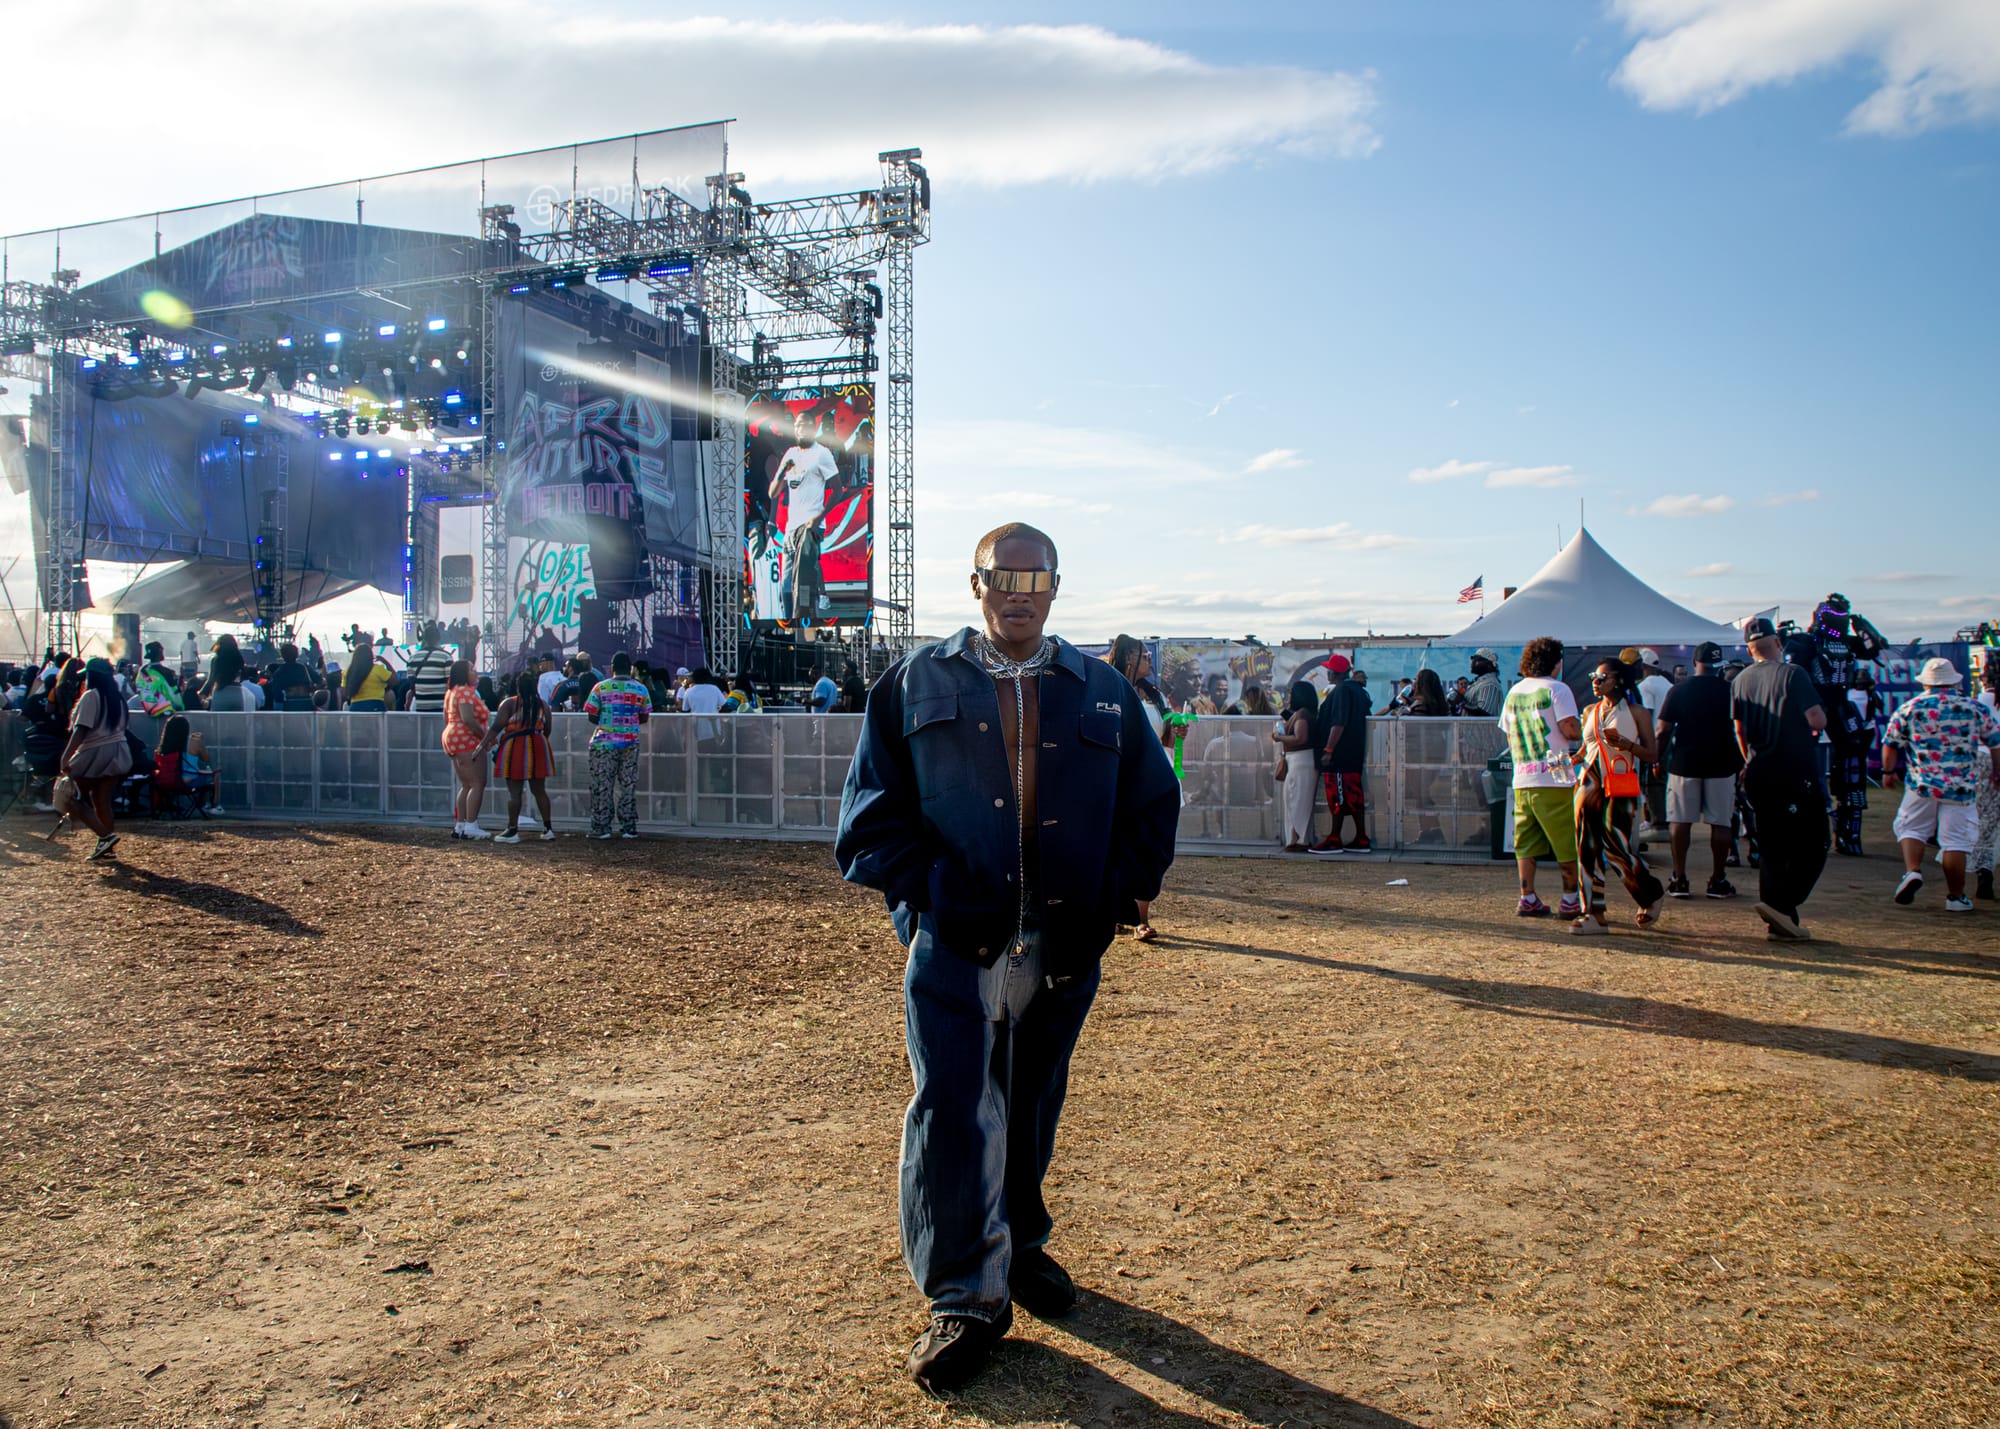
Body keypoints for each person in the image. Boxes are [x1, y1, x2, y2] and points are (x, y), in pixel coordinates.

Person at [835, 521, 1180, 1394]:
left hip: (1063, 941)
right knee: (952, 1105)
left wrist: (1119, 895)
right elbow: (870, 819)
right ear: (976, 583)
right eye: (1003, 574)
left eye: (1037, 575)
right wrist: (926, 902)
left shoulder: (1100, 690)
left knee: (1031, 1103)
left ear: (1056, 588)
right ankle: (963, 1294)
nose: (1019, 590)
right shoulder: (917, 681)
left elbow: (1153, 803)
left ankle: (1019, 1247)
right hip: (955, 940)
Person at [1732, 615, 1829, 940]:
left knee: (1773, 844)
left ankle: (1781, 921)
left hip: (1759, 769)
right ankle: (1783, 904)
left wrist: (1748, 759)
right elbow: (1816, 719)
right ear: (1777, 642)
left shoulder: (1741, 680)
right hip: (1794, 769)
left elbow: (1739, 729)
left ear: (1749, 649)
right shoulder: (1793, 673)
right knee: (1816, 841)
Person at [1881, 657, 2000, 913]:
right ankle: (1956, 897)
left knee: (1912, 828)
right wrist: (1997, 773)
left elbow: (1890, 743)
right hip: (1961, 785)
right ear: (1955, 681)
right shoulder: (1974, 707)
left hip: (1921, 782)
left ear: (1925, 683)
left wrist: (1888, 772)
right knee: (1955, 841)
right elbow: (1994, 742)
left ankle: (1912, 871)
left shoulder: (1910, 708)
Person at [1571, 658, 1667, 935]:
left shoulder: (1637, 713)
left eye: (1602, 677)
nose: (1595, 681)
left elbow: (1652, 754)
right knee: (1585, 848)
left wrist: (1626, 745)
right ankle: (1592, 912)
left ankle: (1650, 893)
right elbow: (1585, 750)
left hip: (1620, 784)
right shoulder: (1590, 711)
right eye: (1593, 676)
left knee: (1617, 849)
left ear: (1620, 680)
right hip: (1588, 783)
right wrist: (1569, 760)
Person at [1500, 637, 1584, 919]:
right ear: (1555, 662)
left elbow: (1507, 732)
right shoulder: (1557, 689)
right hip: (1555, 776)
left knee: (1525, 842)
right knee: (1566, 840)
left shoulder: (1514, 692)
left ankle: (1528, 896)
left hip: (1522, 775)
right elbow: (1569, 729)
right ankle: (1570, 898)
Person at [1655, 640, 1742, 899]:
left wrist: (1657, 759)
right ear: (1719, 664)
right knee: (1721, 822)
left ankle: (1679, 878)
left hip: (1685, 763)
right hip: (1723, 764)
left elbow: (1663, 730)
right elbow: (1741, 729)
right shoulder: (1731, 691)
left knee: (1680, 821)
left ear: (1695, 662)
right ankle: (1717, 879)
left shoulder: (1679, 690)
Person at [1108, 633, 1176, 941]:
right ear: (1127, 658)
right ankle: (1114, 915)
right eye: (1143, 655)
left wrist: (1177, 731)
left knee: (1151, 849)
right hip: (1120, 785)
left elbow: (1166, 742)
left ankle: (1140, 919)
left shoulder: (1154, 695)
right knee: (1115, 850)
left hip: (1155, 782)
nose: (1149, 660)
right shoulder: (1109, 688)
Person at [60, 658, 134, 861]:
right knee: (101, 801)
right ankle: (106, 849)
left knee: (69, 797)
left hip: (94, 751)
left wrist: (66, 756)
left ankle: (106, 836)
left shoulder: (91, 696)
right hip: (117, 750)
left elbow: (81, 730)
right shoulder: (117, 698)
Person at [771, 409, 838, 622]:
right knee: (786, 583)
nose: (802, 429)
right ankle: (790, 622)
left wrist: (819, 517)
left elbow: (838, 489)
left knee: (803, 582)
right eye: (799, 425)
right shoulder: (790, 453)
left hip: (810, 525)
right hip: (791, 527)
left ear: (814, 428)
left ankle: (809, 617)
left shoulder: (822, 453)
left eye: (807, 425)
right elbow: (773, 492)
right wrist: (782, 472)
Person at [481, 671, 556, 844]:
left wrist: (481, 745)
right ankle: (548, 829)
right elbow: (548, 729)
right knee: (539, 790)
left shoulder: (510, 703)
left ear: (516, 686)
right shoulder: (543, 705)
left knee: (514, 792)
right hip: (538, 745)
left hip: (515, 747)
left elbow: (497, 726)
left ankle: (512, 830)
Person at [584, 652, 651, 840]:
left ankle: (601, 827)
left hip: (603, 742)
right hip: (630, 741)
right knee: (628, 784)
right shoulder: (640, 689)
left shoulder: (600, 687)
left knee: (602, 785)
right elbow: (644, 717)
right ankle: (628, 827)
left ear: (612, 667)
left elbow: (591, 715)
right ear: (630, 668)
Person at [1309, 654, 1371, 854]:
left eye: (1329, 670)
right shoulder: (1359, 691)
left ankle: (1334, 838)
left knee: (1337, 797)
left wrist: (1328, 750)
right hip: (1353, 754)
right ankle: (1360, 838)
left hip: (1339, 757)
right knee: (1354, 796)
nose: (1327, 673)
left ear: (1334, 673)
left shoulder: (1341, 691)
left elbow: (1339, 722)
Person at [441, 659, 491, 840]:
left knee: (466, 784)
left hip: (452, 737)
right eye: (471, 669)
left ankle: (460, 824)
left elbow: (446, 717)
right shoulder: (464, 692)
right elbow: (469, 719)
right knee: (477, 783)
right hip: (466, 740)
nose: (475, 672)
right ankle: (471, 825)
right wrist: (485, 738)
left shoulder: (451, 692)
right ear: (464, 673)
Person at [1273, 678, 1319, 851]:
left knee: (1298, 800)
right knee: (1295, 799)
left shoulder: (1302, 715)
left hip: (1301, 760)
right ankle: (1296, 838)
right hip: (1298, 761)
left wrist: (1279, 737)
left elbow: (1301, 738)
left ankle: (1300, 839)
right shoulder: (1303, 714)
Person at [1633, 648, 1674, 831]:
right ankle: (1662, 818)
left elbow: (1647, 714)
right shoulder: (1667, 684)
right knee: (1663, 780)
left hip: (1654, 739)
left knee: (1650, 781)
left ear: (1642, 666)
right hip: (1671, 737)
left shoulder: (1646, 686)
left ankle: (1656, 821)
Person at [156, 713, 220, 814]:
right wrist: (201, 742)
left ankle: (202, 804)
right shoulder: (194, 741)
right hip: (189, 780)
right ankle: (213, 806)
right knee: (214, 773)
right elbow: (206, 759)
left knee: (203, 773)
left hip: (169, 780)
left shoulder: (165, 745)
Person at [1974, 657, 2000, 901]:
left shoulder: (1980, 703)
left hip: (1986, 762)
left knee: (1987, 822)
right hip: (1990, 761)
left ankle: (1984, 871)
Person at [403, 622, 455, 713]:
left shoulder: (413, 658)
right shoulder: (446, 657)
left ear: (424, 639)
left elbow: (412, 685)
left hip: (420, 707)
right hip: (441, 707)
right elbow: (450, 684)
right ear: (439, 638)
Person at [135, 642, 185, 718]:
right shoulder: (166, 672)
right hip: (165, 711)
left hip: (147, 709)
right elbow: (174, 693)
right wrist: (182, 677)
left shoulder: (142, 671)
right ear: (159, 652)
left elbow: (139, 688)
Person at [342, 642, 393, 711]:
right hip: (375, 706)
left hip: (355, 707)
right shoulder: (377, 669)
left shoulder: (348, 672)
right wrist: (385, 662)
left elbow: (345, 692)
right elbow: (395, 680)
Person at [266, 643, 315, 712]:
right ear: (297, 655)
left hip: (289, 704)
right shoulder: (302, 668)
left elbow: (277, 695)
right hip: (307, 702)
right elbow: (311, 685)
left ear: (283, 655)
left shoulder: (280, 671)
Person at [1463, 649, 1504, 719]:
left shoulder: (1490, 684)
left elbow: (1483, 713)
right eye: (1472, 659)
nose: (1473, 662)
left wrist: (1462, 703)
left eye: (1477, 660)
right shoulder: (1479, 682)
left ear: (1489, 665)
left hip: (1484, 730)